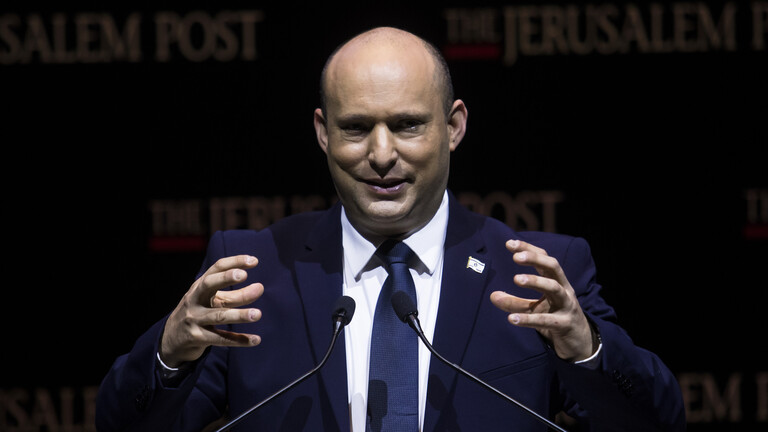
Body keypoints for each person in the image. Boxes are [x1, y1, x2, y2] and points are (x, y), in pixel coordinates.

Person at [96, 26, 685, 431]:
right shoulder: (253, 270)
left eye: (407, 126)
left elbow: (656, 422)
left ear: (453, 127)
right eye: (356, 128)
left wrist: (588, 352)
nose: (381, 155)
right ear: (323, 133)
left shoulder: (534, 274)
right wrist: (168, 357)